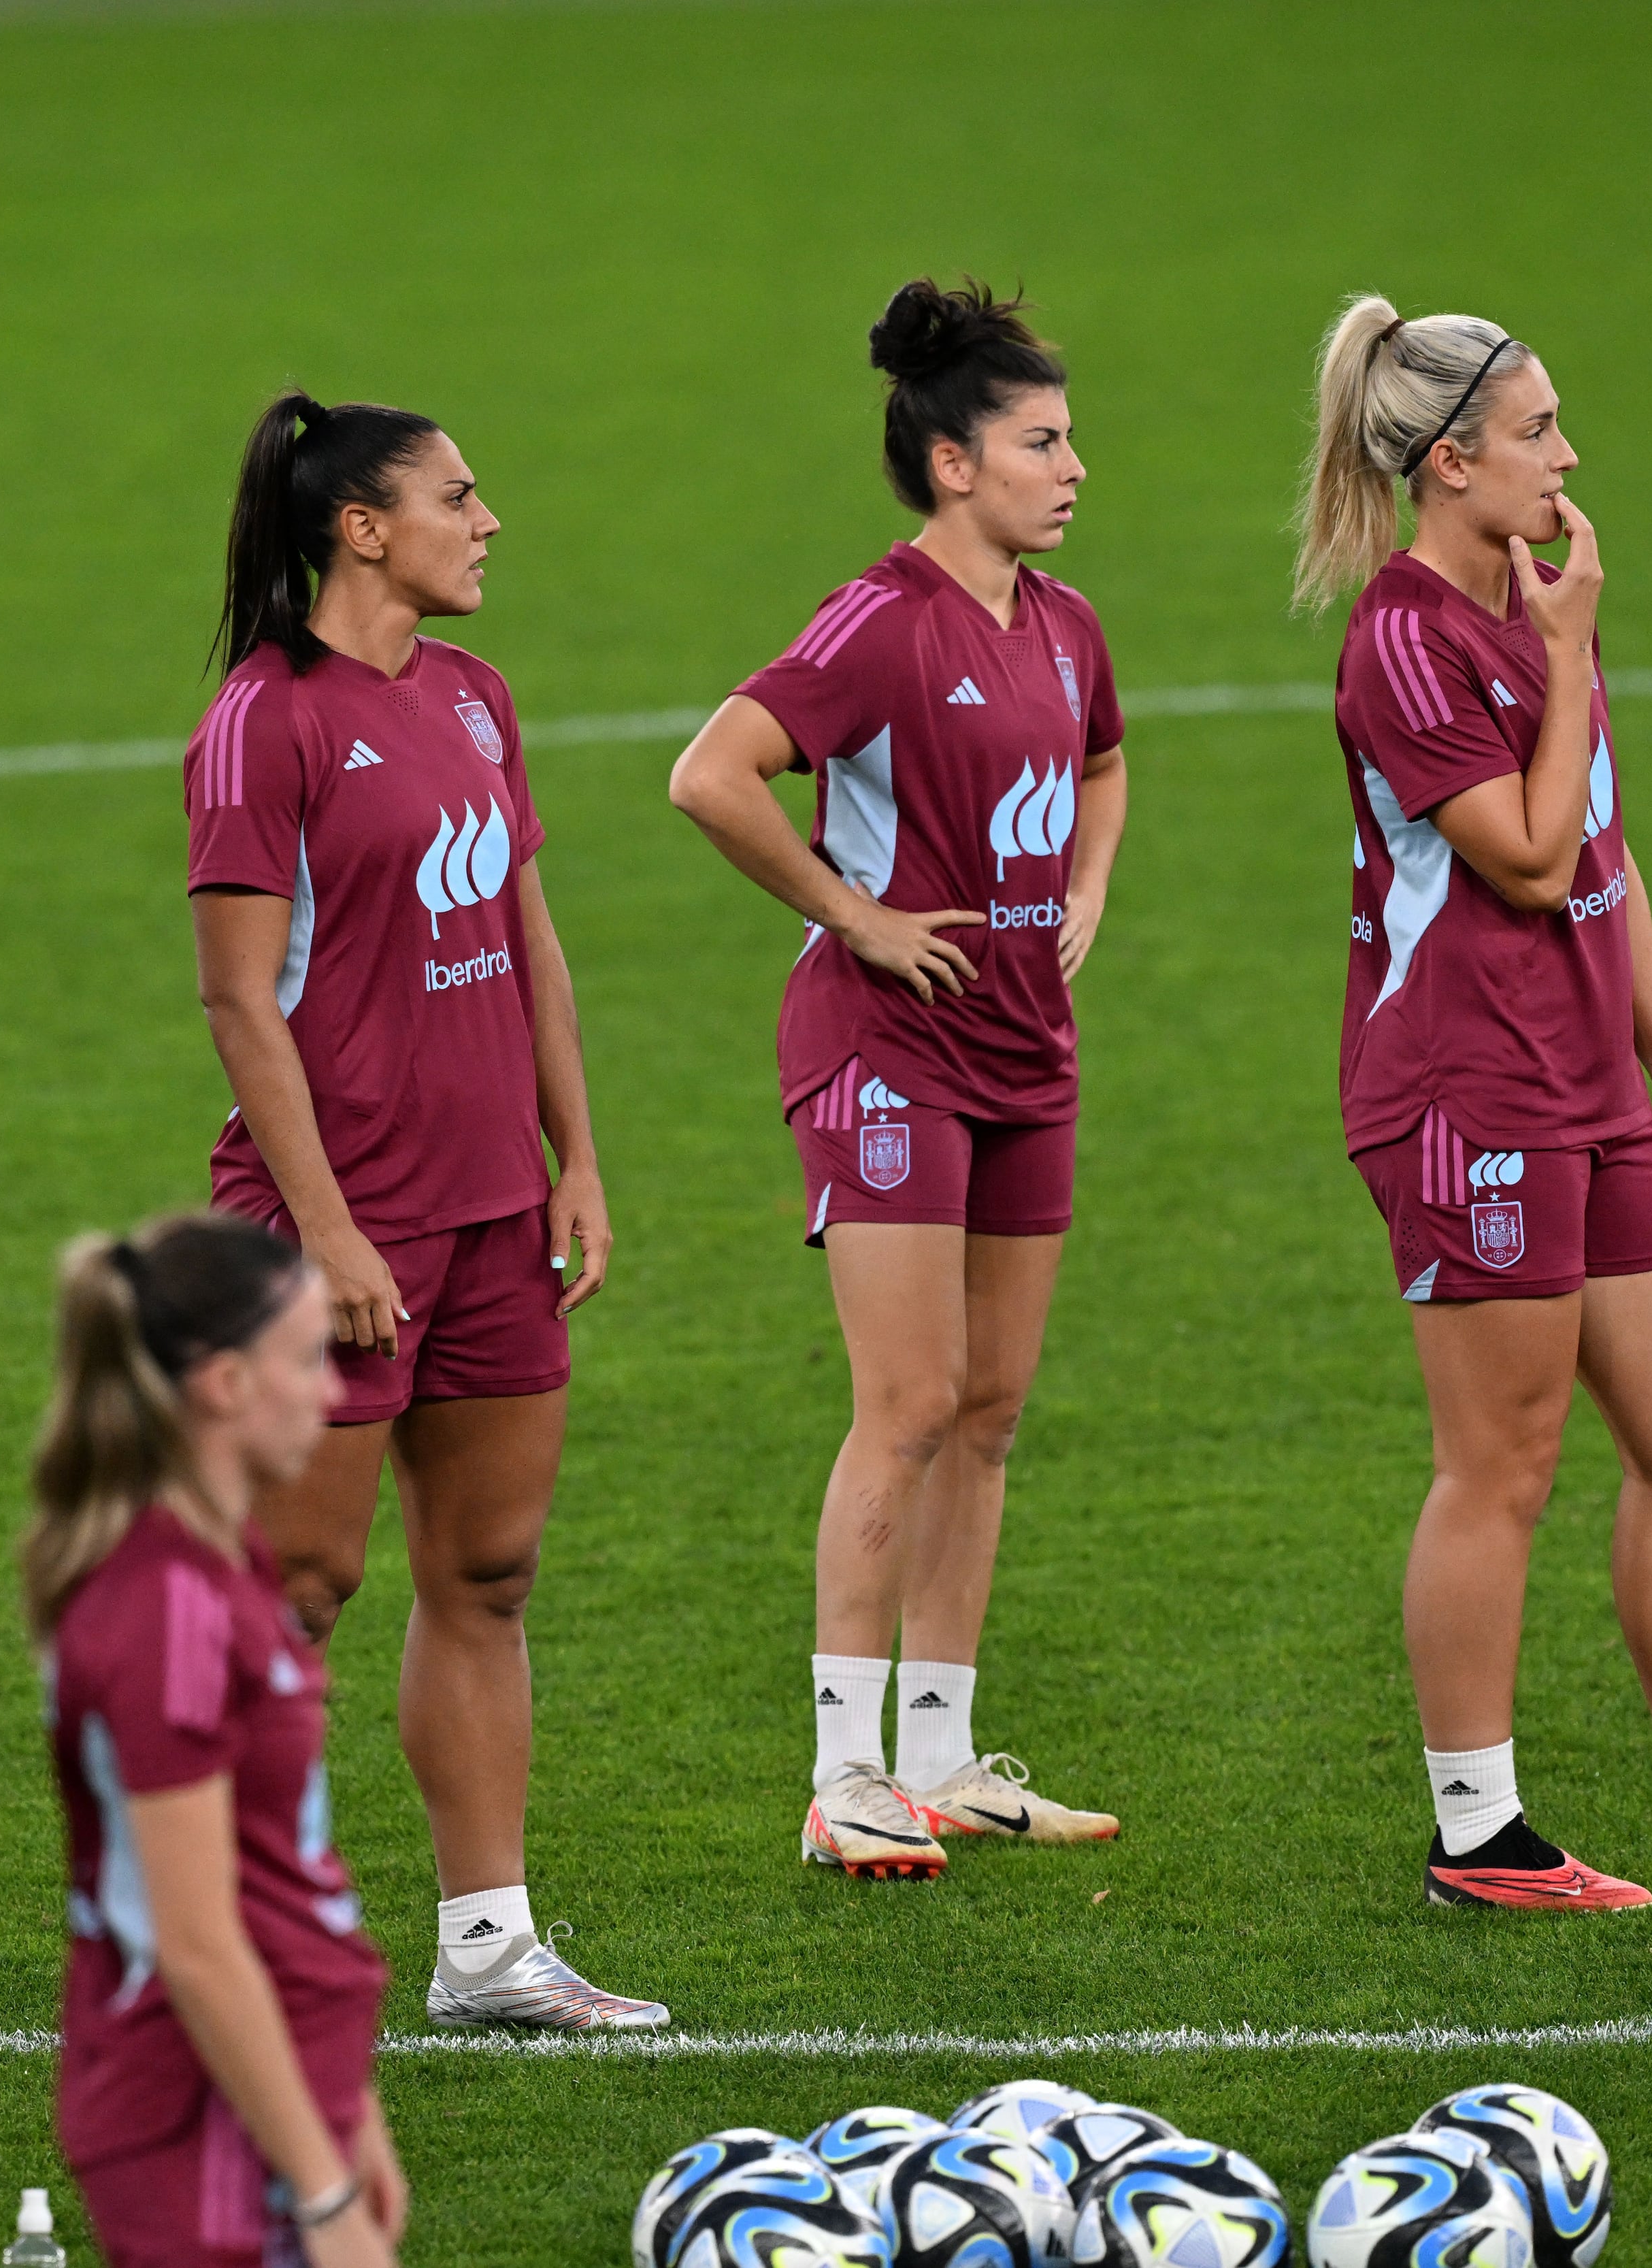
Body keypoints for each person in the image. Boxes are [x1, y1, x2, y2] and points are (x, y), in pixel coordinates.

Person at [1295, 293, 1652, 1908]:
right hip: (1460, 1090)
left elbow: (1606, 865)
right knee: (1504, 1459)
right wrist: (1558, 656)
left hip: (1585, 1078)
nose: (1569, 456)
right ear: (1450, 459)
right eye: (1541, 430)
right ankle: (1476, 1832)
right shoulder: (1404, 638)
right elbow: (1531, 851)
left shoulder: (1543, 608)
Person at [185, 392, 661, 2024]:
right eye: (460, 494)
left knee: (492, 1569)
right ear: (361, 529)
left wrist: (575, 1157)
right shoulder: (265, 721)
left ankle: (484, 1947)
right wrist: (325, 1232)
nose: (491, 517)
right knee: (296, 1581)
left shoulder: (475, 696)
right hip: (330, 1224)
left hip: (488, 1214)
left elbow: (530, 940)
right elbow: (241, 1003)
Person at [667, 280, 1129, 1880]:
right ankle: (843, 1769)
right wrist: (852, 916)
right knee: (911, 1399)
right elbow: (709, 774)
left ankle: (940, 1754)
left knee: (989, 1410)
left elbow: (1103, 760)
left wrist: (1083, 889)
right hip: (884, 1050)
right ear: (952, 464)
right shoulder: (877, 623)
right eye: (1041, 442)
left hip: (1021, 1047)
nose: (1073, 468)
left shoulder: (1062, 625)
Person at [33, 1214, 406, 2268]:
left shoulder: (225, 1554)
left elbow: (281, 1867)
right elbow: (195, 1942)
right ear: (223, 1384)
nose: (334, 1395)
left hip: (277, 2092)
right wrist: (325, 2195)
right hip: (198, 2117)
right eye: (306, 1363)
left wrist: (350, 2111)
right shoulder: (170, 1617)